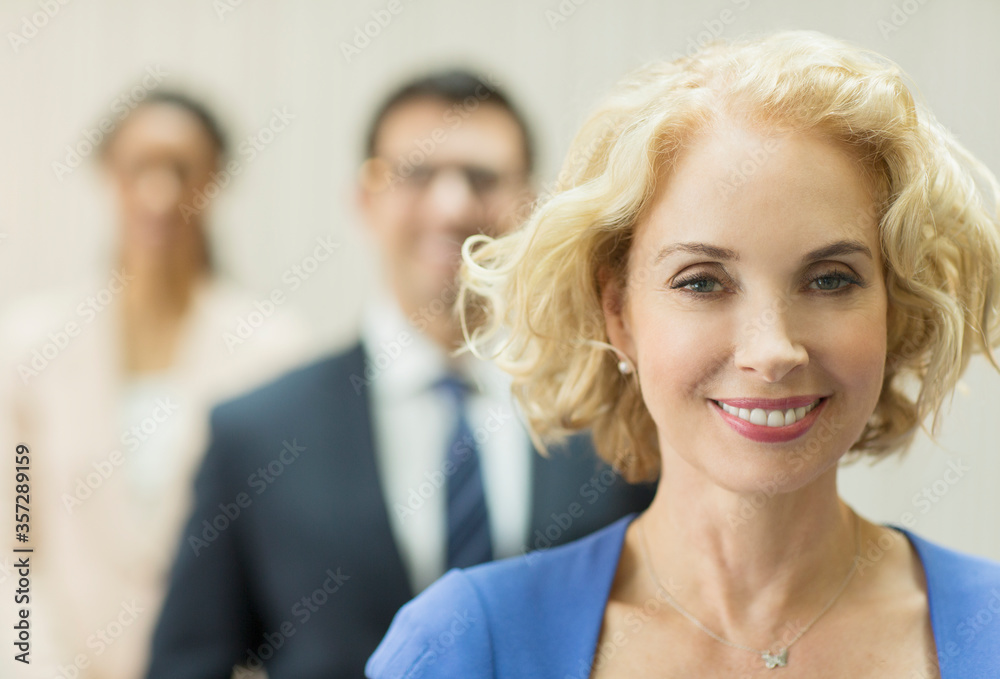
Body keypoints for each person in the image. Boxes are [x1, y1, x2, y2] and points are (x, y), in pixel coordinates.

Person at [366, 32, 1000, 678]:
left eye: (831, 278)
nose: (772, 349)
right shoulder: (466, 642)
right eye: (702, 281)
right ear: (619, 313)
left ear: (894, 304)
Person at [145, 70, 655, 679]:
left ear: (532, 204)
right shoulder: (256, 435)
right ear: (365, 200)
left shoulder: (613, 404)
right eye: (415, 174)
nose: (452, 204)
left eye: (482, 177)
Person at [0, 92, 310, 679]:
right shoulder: (28, 348)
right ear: (106, 174)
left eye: (182, 169)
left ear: (215, 180)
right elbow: (15, 541)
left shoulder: (272, 350)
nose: (160, 193)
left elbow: (277, 554)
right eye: (138, 166)